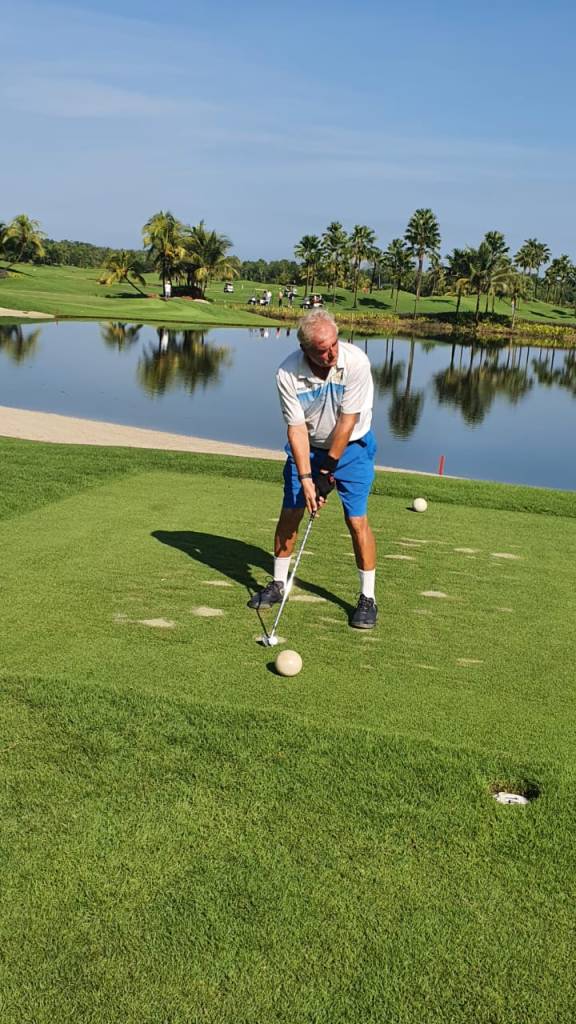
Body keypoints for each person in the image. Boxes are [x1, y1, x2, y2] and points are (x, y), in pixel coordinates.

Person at [247, 309, 378, 629]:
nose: (331, 353)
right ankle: (278, 583)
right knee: (291, 512)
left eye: (334, 344)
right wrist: (307, 477)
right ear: (305, 349)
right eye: (322, 350)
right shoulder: (287, 373)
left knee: (356, 520)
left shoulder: (356, 362)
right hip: (308, 448)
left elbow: (347, 422)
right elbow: (296, 429)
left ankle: (368, 598)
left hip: (353, 448)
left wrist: (325, 474)